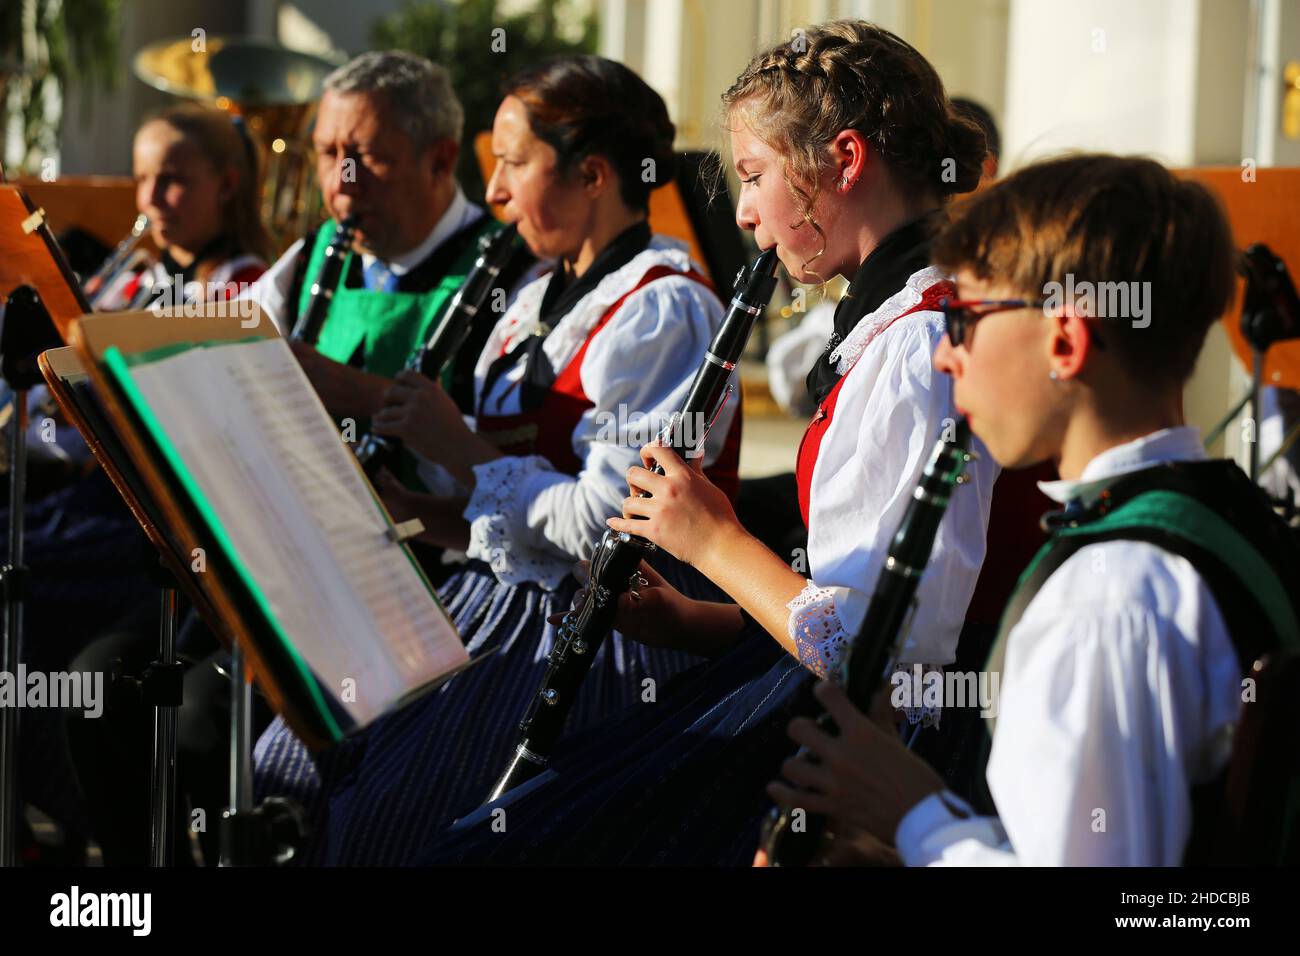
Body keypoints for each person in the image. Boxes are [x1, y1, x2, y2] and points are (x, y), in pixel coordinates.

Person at [423, 19, 1000, 866]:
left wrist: (716, 541)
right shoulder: (893, 327)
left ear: (843, 161)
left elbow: (873, 656)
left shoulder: (920, 349)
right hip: (823, 713)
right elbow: (840, 607)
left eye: (757, 174)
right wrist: (694, 620)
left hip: (872, 768)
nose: (741, 210)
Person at [251, 54, 742, 865]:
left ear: (591, 174)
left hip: (599, 624)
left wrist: (457, 447)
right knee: (282, 768)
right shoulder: (536, 294)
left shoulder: (664, 309)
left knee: (385, 819)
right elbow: (490, 501)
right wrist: (395, 506)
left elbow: (607, 527)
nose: (498, 195)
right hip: (490, 592)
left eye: (513, 165)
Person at [767, 154, 1300, 866]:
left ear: (1065, 340)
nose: (946, 358)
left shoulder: (1107, 595)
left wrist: (916, 818)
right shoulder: (1234, 515)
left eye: (965, 319)